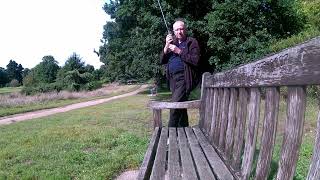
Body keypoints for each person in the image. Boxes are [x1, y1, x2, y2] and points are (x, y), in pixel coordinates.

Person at [160, 20, 201, 127]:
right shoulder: (171, 42)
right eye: (177, 29)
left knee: (174, 106)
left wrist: (179, 51)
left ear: (185, 29)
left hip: (184, 78)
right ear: (173, 31)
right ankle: (184, 130)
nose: (179, 31)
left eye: (181, 29)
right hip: (173, 80)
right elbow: (162, 60)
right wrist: (166, 46)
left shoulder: (191, 42)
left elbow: (195, 60)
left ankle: (170, 134)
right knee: (180, 106)